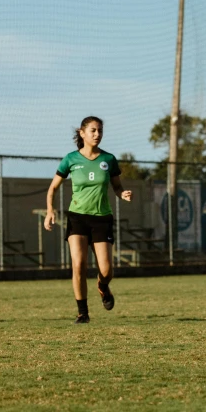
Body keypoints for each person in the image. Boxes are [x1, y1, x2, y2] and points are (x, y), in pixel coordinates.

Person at [44, 116, 132, 324]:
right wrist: (50, 211)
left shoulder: (108, 159)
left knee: (106, 270)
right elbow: (53, 188)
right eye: (93, 130)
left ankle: (102, 286)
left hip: (102, 218)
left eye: (100, 130)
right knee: (79, 264)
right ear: (82, 133)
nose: (97, 134)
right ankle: (82, 312)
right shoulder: (70, 159)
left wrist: (123, 194)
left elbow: (117, 187)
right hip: (78, 218)